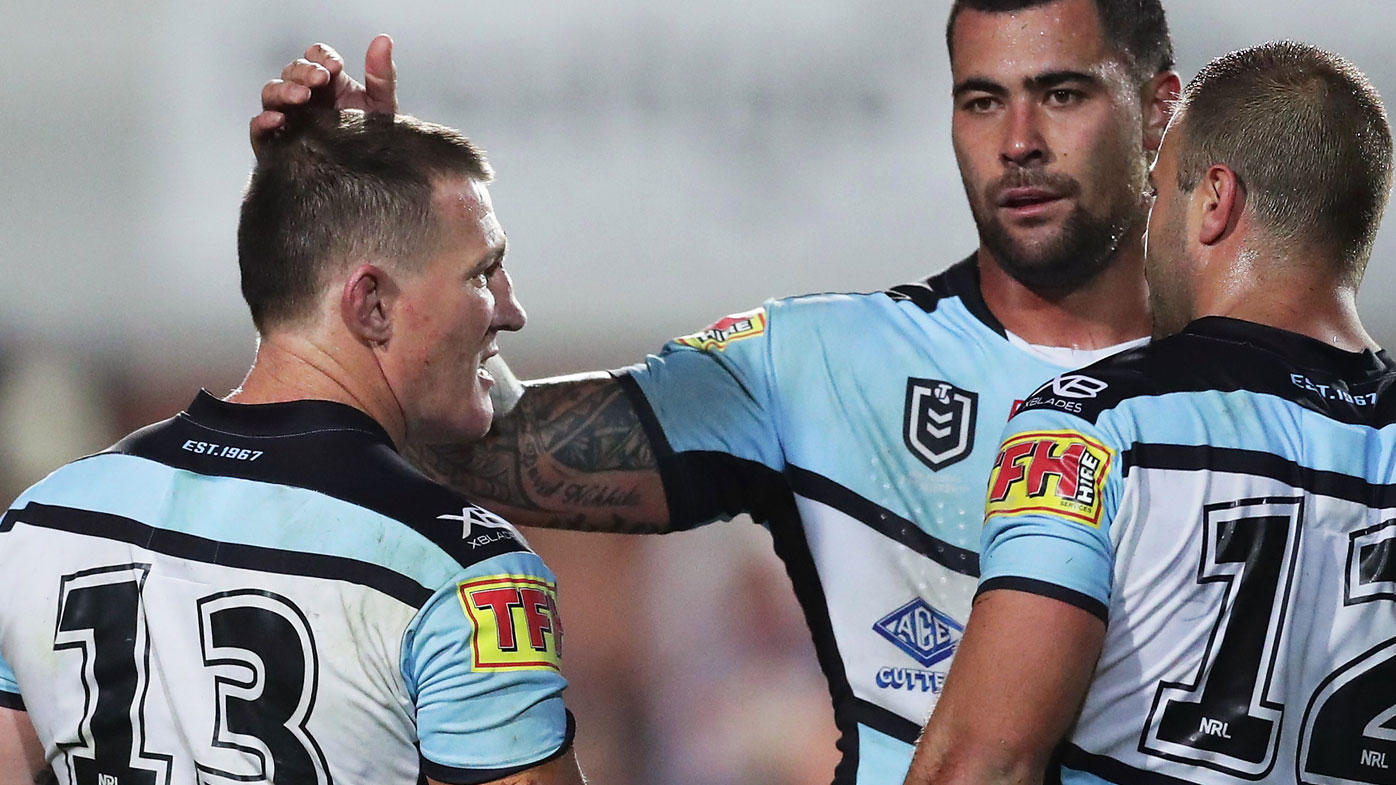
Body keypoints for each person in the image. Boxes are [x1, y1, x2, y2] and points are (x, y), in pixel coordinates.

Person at [255, 1, 1177, 781]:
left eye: (1062, 94)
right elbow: (484, 444)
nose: (1017, 143)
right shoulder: (819, 366)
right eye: (982, 101)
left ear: (1158, 109)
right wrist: (377, 231)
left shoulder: (1254, 385)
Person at [0, 108, 587, 785]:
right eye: (483, 274)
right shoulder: (463, 569)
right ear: (371, 303)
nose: (511, 310)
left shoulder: (44, 519)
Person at [905, 40, 1395, 785]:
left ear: (1216, 200)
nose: (1148, 227)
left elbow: (984, 763)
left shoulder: (1096, 423)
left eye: (1160, 192)